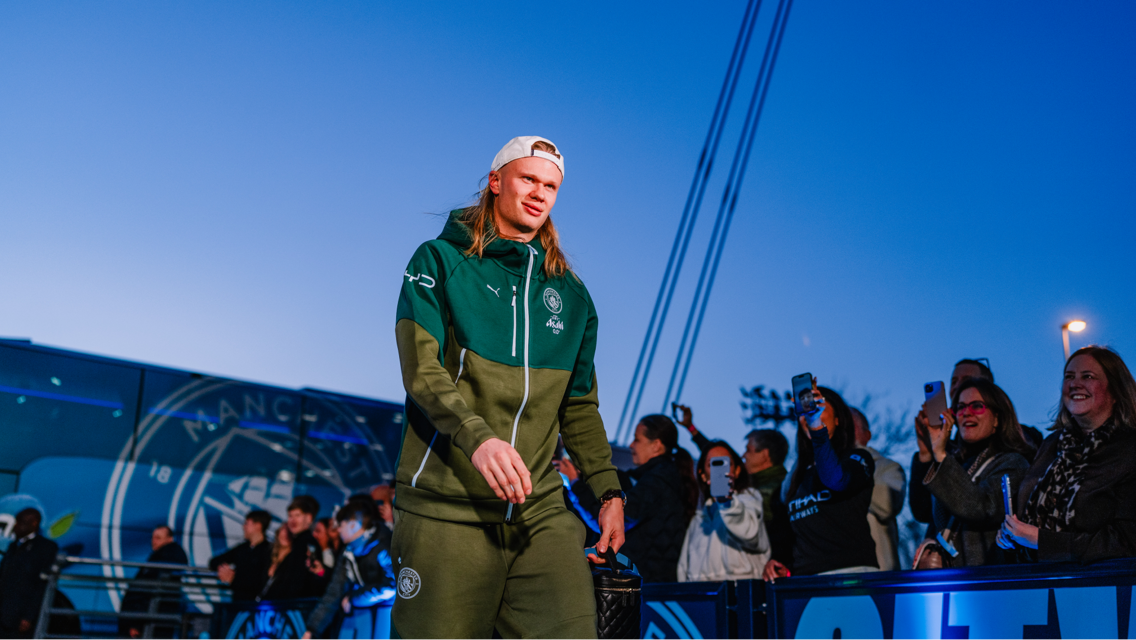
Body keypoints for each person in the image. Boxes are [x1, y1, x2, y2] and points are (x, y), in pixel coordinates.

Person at [392, 136, 624, 638]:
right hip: (444, 507)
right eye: (529, 179)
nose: (540, 193)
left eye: (551, 186)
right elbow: (421, 372)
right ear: (496, 182)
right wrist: (478, 438)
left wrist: (608, 490)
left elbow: (579, 406)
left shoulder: (574, 297)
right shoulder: (437, 261)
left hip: (539, 511)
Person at [999, 346, 1136, 563]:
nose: (1075, 384)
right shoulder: (1052, 445)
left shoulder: (1129, 449)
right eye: (1069, 376)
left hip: (1099, 589)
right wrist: (1013, 534)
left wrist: (1042, 541)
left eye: (1088, 376)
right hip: (1036, 585)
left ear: (1116, 391)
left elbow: (1127, 542)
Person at [909, 378, 1034, 567]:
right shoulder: (955, 463)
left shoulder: (1013, 462)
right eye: (960, 407)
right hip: (949, 578)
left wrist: (941, 455)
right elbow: (923, 511)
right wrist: (927, 453)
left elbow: (981, 508)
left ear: (998, 418)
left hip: (987, 580)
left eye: (977, 406)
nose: (966, 413)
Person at [763, 384, 877, 579]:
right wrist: (784, 565)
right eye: (805, 412)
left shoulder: (857, 458)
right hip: (806, 580)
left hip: (851, 575)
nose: (809, 415)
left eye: (819, 407)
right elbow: (796, 536)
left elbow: (836, 480)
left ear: (838, 419)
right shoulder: (797, 474)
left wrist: (817, 427)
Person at [572, 414, 699, 583]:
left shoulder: (658, 481)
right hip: (653, 581)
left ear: (656, 445)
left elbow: (614, 519)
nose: (631, 445)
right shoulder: (664, 478)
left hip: (647, 585)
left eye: (637, 440)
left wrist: (574, 482)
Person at [677, 440, 770, 581]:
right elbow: (684, 568)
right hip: (703, 597)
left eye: (726, 463)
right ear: (703, 475)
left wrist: (727, 503)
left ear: (737, 470)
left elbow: (750, 534)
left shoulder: (750, 499)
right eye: (712, 464)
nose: (720, 470)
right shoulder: (699, 519)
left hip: (742, 594)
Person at [302, 500, 395, 640]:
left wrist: (354, 599)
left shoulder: (384, 545)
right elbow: (334, 592)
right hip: (364, 624)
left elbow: (393, 585)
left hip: (386, 622)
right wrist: (312, 630)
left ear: (353, 524)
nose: (338, 530)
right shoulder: (348, 552)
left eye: (341, 525)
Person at [850, 408, 906, 572]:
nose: (843, 430)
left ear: (867, 435)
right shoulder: (822, 468)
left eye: (850, 425)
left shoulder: (887, 467)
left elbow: (887, 505)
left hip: (877, 572)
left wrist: (846, 470)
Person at [119, 526, 188, 639]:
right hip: (152, 619)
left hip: (150, 621)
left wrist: (136, 622)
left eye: (158, 538)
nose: (153, 541)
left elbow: (147, 593)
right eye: (153, 537)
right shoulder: (162, 559)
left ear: (170, 539)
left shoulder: (162, 561)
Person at [0, 508, 58, 640]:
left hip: (21, 615)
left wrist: (28, 616)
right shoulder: (13, 546)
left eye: (20, 522)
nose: (15, 526)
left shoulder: (46, 548)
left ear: (34, 523)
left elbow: (40, 586)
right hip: (4, 612)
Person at [744, 429, 793, 565]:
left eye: (748, 450)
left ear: (765, 454)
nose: (744, 456)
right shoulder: (787, 483)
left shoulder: (773, 491)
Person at [262, 496, 325, 600]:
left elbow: (300, 581)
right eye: (290, 516)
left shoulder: (306, 543)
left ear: (309, 518)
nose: (293, 520)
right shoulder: (299, 543)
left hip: (293, 608)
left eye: (297, 515)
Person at [209, 510, 272, 602]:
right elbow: (214, 562)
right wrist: (226, 570)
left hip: (257, 603)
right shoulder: (242, 549)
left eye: (247, 524)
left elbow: (258, 580)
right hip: (238, 600)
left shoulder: (268, 551)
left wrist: (234, 579)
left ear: (258, 526)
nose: (243, 527)